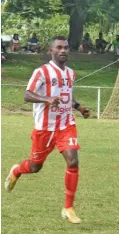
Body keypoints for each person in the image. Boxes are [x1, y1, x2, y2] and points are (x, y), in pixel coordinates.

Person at [4, 36, 91, 223]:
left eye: (66, 48)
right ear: (51, 51)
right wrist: (47, 99)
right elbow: (27, 95)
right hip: (44, 128)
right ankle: (17, 171)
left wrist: (79, 107)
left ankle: (68, 207)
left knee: (73, 161)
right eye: (58, 47)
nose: (63, 51)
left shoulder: (70, 73)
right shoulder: (41, 72)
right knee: (35, 166)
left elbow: (69, 96)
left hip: (66, 125)